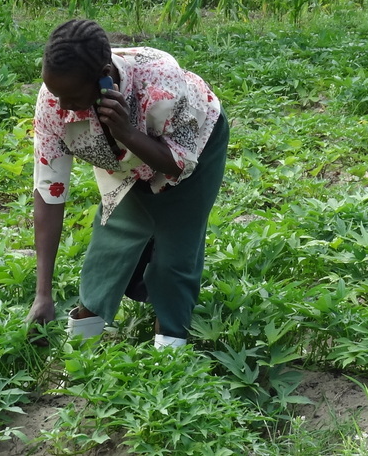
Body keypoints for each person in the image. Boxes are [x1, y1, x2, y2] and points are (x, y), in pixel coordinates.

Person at [28, 19, 229, 349]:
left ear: (105, 75)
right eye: (56, 94)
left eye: (73, 97)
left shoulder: (159, 82)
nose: (62, 106)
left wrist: (128, 134)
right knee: (109, 246)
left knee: (174, 255)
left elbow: (177, 165)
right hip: (124, 163)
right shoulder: (54, 102)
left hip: (192, 153)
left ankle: (169, 357)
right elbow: (50, 192)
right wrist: (42, 294)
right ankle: (79, 353)